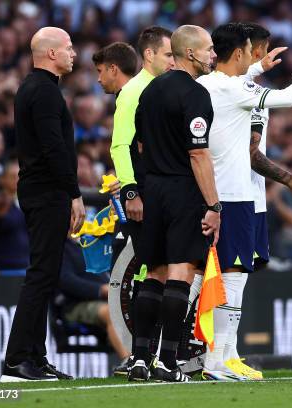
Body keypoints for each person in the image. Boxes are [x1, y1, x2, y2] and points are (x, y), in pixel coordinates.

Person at [196, 22, 292, 381]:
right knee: (232, 277)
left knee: (211, 275)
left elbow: (233, 79)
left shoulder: (205, 85)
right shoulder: (236, 90)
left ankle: (218, 356)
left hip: (217, 193)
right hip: (233, 195)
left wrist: (256, 69)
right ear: (240, 52)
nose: (255, 56)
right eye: (251, 51)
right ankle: (217, 359)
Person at [131, 24, 219, 383]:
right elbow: (198, 153)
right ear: (192, 53)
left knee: (153, 274)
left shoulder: (149, 91)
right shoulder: (196, 95)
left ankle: (139, 359)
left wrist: (142, 186)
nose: (213, 55)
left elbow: (137, 146)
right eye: (209, 49)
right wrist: (214, 206)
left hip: (152, 189)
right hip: (183, 190)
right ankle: (167, 362)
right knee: (180, 272)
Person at [1, 27, 86, 382]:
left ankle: (35, 356)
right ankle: (19, 357)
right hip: (47, 192)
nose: (73, 54)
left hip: (39, 190)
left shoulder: (34, 88)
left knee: (46, 273)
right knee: (41, 275)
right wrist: (74, 194)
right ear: (50, 54)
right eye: (68, 48)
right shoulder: (45, 93)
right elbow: (55, 149)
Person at [94, 28, 175, 376]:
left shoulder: (162, 88)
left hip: (165, 193)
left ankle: (151, 356)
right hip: (144, 194)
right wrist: (130, 191)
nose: (173, 60)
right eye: (169, 54)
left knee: (166, 273)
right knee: (152, 271)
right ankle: (141, 354)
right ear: (150, 55)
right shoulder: (132, 93)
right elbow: (119, 146)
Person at [58, 239, 129, 361]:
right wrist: (101, 290)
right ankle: (128, 363)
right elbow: (66, 281)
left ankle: (145, 360)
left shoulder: (92, 241)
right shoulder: (60, 247)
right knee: (112, 312)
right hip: (75, 305)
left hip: (107, 299)